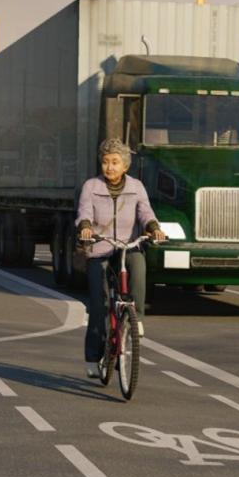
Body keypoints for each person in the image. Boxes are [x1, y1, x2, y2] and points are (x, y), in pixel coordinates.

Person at [76, 139, 166, 378]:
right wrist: (85, 227)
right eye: (105, 162)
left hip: (127, 247)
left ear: (125, 165)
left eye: (115, 162)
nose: (110, 167)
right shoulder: (91, 186)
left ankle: (136, 321)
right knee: (99, 306)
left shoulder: (136, 187)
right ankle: (94, 358)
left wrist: (153, 227)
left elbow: (145, 211)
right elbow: (84, 211)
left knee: (138, 264)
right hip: (100, 247)